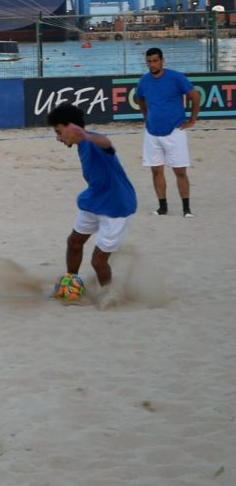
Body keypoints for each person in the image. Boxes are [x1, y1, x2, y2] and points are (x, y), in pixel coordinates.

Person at [48, 103, 137, 310]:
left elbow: (107, 143)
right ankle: (72, 283)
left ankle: (109, 293)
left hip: (116, 206)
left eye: (59, 131)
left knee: (98, 261)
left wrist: (87, 136)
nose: (58, 137)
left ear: (71, 127)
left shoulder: (93, 142)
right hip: (95, 200)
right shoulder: (81, 145)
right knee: (74, 242)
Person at [134, 47, 200, 218]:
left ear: (162, 61)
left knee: (180, 171)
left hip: (175, 131)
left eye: (155, 60)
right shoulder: (144, 81)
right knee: (156, 171)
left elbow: (195, 96)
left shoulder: (176, 77)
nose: (152, 64)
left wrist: (192, 120)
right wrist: (146, 117)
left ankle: (186, 208)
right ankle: (162, 206)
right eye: (149, 61)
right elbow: (140, 99)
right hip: (152, 133)